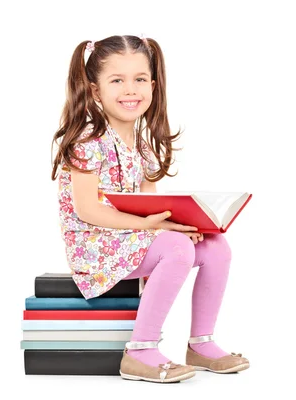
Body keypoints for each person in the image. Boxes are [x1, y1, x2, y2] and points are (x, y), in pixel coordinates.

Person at [50, 35, 249, 383]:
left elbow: (150, 207)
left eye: (140, 79)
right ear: (96, 91)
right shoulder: (86, 143)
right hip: (95, 249)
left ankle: (201, 343)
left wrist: (182, 224)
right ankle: (140, 351)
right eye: (117, 80)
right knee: (175, 247)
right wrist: (156, 230)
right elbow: (87, 211)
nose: (131, 89)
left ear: (153, 86)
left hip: (130, 240)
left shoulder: (142, 147)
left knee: (215, 247)